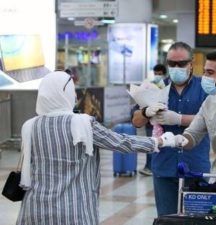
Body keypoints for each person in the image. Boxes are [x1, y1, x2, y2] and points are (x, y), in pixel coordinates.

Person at [16, 71, 183, 225]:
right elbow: (121, 143)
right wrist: (159, 141)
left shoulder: (29, 126)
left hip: (34, 211)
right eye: (72, 90)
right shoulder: (82, 123)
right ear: (64, 93)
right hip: (73, 212)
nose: (75, 95)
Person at [132, 42, 210, 216]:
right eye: (171, 63)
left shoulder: (204, 88)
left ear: (191, 63)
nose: (176, 68)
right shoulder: (155, 87)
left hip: (195, 165)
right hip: (163, 166)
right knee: (167, 218)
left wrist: (179, 119)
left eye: (181, 63)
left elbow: (212, 121)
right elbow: (136, 121)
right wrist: (146, 111)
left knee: (197, 219)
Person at [133, 64, 167, 176]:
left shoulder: (168, 86)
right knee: (150, 144)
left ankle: (154, 166)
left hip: (163, 122)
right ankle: (149, 167)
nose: (158, 76)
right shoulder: (148, 85)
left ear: (164, 74)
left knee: (161, 145)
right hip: (149, 123)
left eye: (160, 74)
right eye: (156, 73)